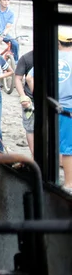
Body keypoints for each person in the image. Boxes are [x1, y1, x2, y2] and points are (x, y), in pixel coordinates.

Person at [56, 28, 72, 189]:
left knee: (61, 145)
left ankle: (68, 183)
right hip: (69, 107)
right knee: (68, 147)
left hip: (53, 105)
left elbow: (31, 78)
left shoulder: (51, 57)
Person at [14, 50, 34, 155]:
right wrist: (23, 96)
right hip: (29, 99)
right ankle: (34, 155)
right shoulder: (26, 58)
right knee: (30, 127)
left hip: (50, 98)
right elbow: (18, 78)